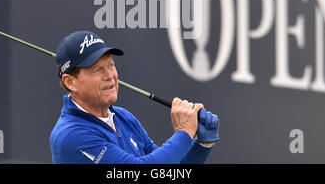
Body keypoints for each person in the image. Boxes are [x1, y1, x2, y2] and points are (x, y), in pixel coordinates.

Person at [50, 31, 219, 164]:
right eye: (97, 69)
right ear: (70, 82)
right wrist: (184, 131)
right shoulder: (71, 135)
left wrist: (203, 144)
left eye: (111, 65)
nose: (110, 75)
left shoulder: (124, 117)